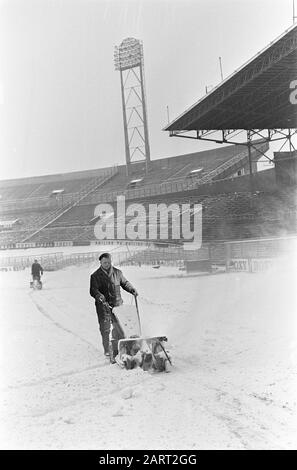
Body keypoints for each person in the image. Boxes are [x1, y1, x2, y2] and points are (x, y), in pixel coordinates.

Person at [89, 252, 138, 357]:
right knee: (105, 328)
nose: (107, 264)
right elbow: (93, 290)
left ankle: (120, 347)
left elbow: (125, 283)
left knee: (120, 326)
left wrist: (132, 289)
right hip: (103, 306)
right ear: (101, 262)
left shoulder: (117, 273)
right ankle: (107, 349)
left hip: (117, 304)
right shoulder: (95, 276)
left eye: (108, 262)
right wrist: (100, 296)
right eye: (104, 262)